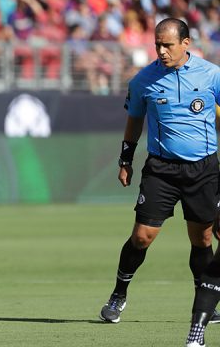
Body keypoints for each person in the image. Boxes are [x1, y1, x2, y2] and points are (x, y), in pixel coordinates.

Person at [99, 18, 220, 328]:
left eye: (168, 45)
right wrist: (125, 159)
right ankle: (118, 295)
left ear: (186, 44)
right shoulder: (143, 81)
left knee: (203, 238)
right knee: (142, 237)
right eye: (157, 45)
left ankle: (204, 305)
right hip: (161, 169)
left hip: (203, 168)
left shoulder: (212, 75)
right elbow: (134, 120)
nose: (162, 51)